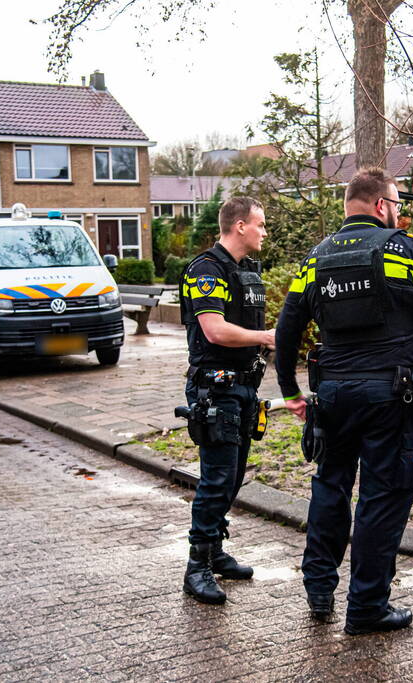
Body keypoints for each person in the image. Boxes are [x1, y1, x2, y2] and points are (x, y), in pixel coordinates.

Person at [275, 167, 413, 635]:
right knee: (382, 498)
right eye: (398, 204)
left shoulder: (316, 258)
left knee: (330, 485)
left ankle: (320, 588)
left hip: (334, 395)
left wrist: (289, 390)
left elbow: (287, 327)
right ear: (381, 205)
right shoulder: (404, 250)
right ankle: (366, 607)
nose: (399, 213)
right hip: (392, 397)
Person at [178, 196, 276, 605]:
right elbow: (215, 331)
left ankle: (215, 552)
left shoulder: (241, 272)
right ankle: (196, 567)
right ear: (239, 226)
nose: (264, 232)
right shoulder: (207, 270)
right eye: (260, 224)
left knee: (231, 478)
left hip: (242, 388)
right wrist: (266, 337)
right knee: (217, 478)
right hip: (215, 389)